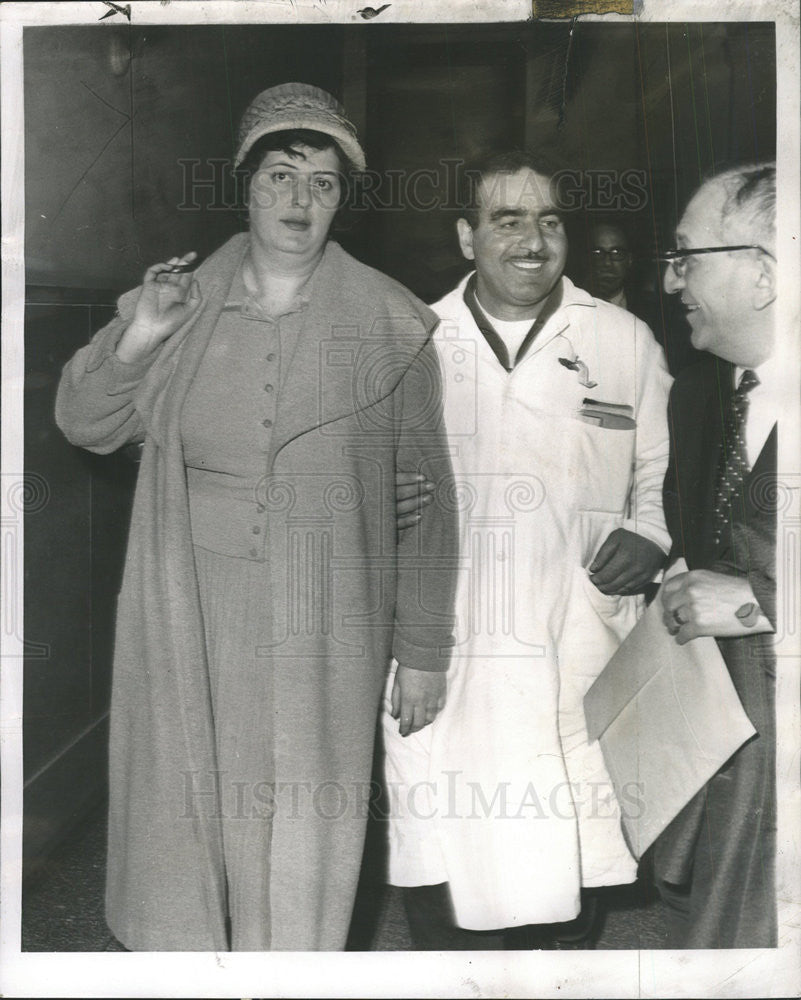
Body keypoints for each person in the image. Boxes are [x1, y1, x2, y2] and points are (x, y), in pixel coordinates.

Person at [55, 82, 457, 952]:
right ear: (243, 184)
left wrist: (423, 652)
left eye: (321, 181)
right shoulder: (177, 304)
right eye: (279, 175)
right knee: (189, 816)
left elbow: (429, 508)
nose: (298, 201)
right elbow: (83, 422)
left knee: (305, 826)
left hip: (325, 618)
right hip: (191, 607)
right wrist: (140, 336)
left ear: (344, 196)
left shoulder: (392, 325)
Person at [383, 150, 672, 948]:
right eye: (507, 220)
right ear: (466, 236)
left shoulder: (621, 338)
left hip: (573, 632)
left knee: (573, 844)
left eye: (549, 220)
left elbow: (656, 472)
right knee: (444, 844)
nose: (533, 240)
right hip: (446, 643)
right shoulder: (413, 337)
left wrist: (648, 533)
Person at [654, 163, 778, 948]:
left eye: (686, 257)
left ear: (762, 274)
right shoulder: (694, 395)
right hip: (723, 749)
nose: (670, 282)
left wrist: (750, 601)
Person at [586, 220, 633, 308]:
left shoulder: (654, 309)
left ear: (629, 260)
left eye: (616, 253)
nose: (607, 263)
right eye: (597, 253)